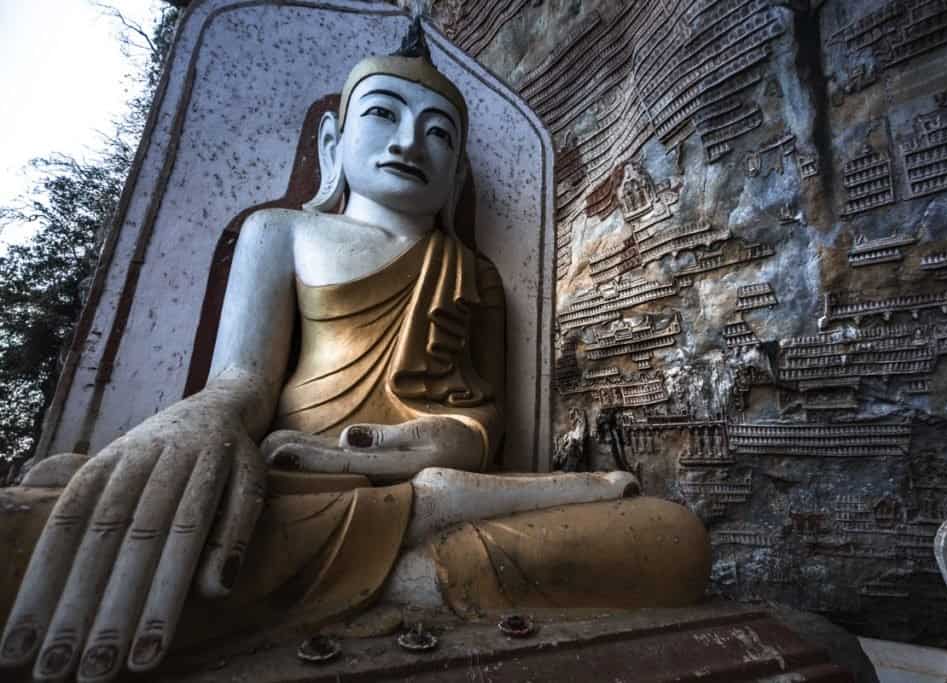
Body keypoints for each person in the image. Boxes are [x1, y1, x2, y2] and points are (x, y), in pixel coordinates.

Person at [0, 19, 710, 683]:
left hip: (438, 487)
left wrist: (436, 443)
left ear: (456, 170)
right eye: (383, 114)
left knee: (672, 537)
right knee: (46, 530)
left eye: (438, 133)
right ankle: (409, 574)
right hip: (289, 484)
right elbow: (242, 380)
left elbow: (487, 426)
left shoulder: (473, 272)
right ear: (333, 142)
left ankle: (386, 570)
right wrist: (201, 421)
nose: (409, 140)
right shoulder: (281, 234)